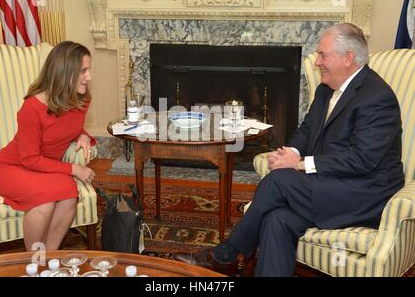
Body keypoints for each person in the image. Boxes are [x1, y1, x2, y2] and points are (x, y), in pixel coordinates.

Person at [173, 23, 405, 276]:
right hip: (330, 185)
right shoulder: (326, 89)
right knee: (277, 220)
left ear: (348, 57)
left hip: (363, 193)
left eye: (323, 54)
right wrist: (293, 151)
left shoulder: (377, 98)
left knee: (278, 182)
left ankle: (225, 255)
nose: (317, 62)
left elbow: (363, 160)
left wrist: (300, 164)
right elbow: (307, 129)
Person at [0, 41, 97, 252]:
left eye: (89, 69)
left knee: (69, 194)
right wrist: (75, 169)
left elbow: (67, 127)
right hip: (11, 167)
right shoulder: (32, 107)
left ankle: (48, 261)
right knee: (46, 202)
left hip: (42, 169)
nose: (89, 77)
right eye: (83, 70)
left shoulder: (82, 99)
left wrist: (82, 135)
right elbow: (29, 158)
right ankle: (33, 262)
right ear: (65, 72)